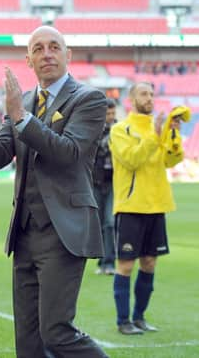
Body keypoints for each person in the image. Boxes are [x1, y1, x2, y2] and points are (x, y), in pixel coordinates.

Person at [0, 25, 108, 358]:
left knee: (56, 332)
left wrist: (20, 118)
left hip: (64, 230)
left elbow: (69, 153)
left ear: (69, 55)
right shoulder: (21, 102)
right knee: (28, 341)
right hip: (24, 233)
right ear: (28, 60)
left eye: (54, 47)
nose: (46, 53)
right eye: (38, 49)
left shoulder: (89, 99)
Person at [109, 82, 187, 335]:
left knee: (150, 263)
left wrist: (173, 135)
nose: (149, 98)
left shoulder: (159, 129)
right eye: (144, 93)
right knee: (126, 265)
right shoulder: (121, 130)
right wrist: (156, 134)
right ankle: (123, 322)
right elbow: (131, 159)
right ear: (131, 99)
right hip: (131, 205)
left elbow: (171, 160)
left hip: (157, 204)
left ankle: (139, 318)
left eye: (152, 94)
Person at [93, 98, 117, 275]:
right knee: (99, 222)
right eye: (107, 113)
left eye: (112, 113)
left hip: (114, 182)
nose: (110, 117)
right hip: (96, 182)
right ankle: (102, 260)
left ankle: (110, 262)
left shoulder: (121, 131)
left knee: (109, 222)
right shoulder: (93, 131)